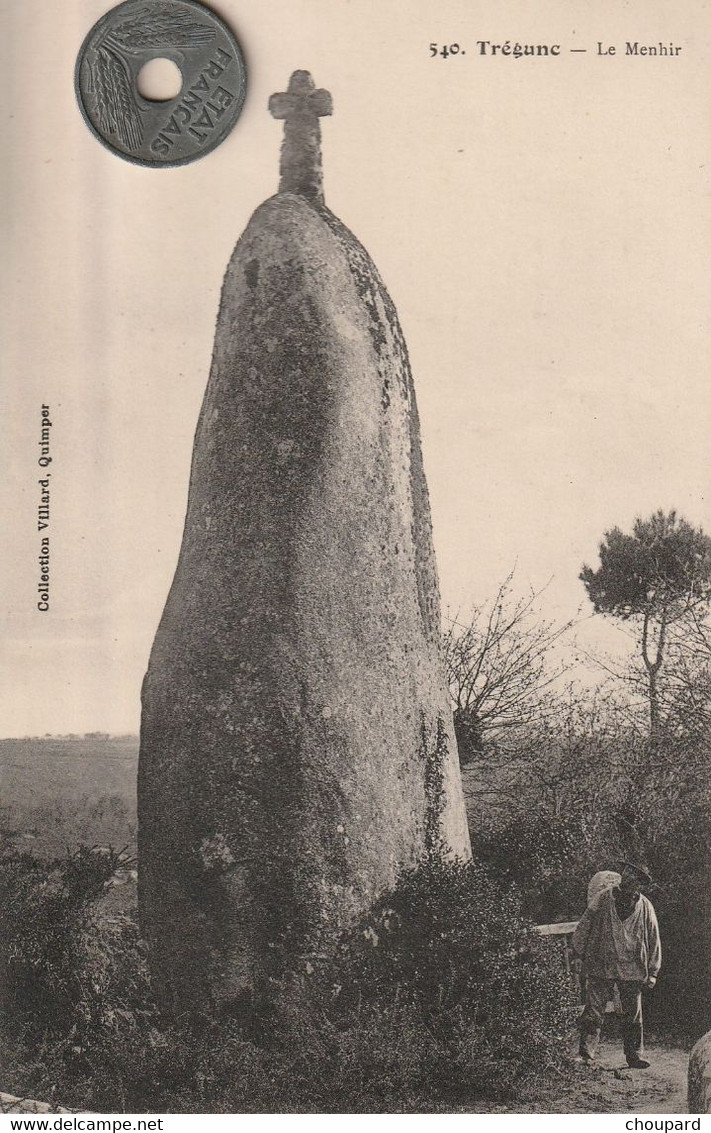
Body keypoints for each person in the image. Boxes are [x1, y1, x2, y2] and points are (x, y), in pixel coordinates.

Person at [572, 864, 661, 1068]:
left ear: (640, 886)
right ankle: (586, 1053)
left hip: (632, 966)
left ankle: (634, 1055)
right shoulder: (603, 898)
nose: (631, 881)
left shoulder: (645, 907)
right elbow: (585, 925)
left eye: (637, 880)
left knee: (633, 1014)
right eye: (629, 876)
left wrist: (653, 972)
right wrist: (579, 952)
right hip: (602, 962)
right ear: (623, 878)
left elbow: (654, 939)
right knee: (594, 1010)